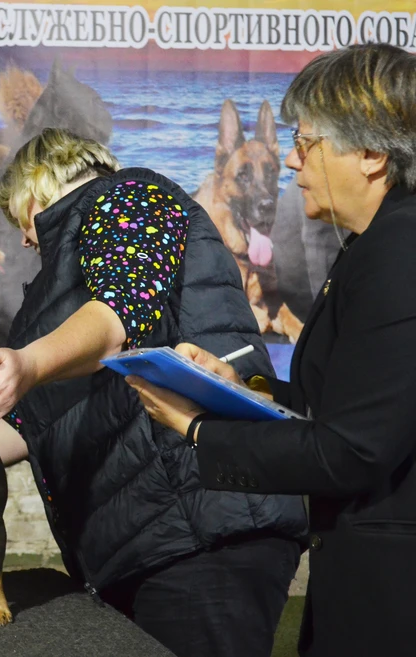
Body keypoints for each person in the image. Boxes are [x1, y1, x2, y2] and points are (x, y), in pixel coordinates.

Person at [0, 127, 308, 657]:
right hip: (134, 548)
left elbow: (122, 309)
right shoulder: (50, 298)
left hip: (202, 530)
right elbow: (22, 424)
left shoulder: (130, 196)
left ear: (35, 192)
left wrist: (27, 363)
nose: (25, 240)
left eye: (19, 220)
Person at [126, 44, 416, 657]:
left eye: (306, 143)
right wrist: (233, 389)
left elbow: (350, 449)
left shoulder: (401, 253)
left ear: (371, 154)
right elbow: (334, 399)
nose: (290, 161)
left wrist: (199, 430)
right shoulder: (371, 243)